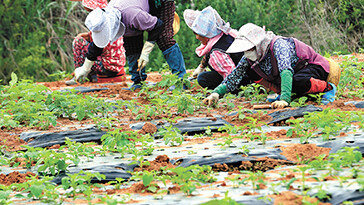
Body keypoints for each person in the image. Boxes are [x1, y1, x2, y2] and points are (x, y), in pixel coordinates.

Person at [203, 23, 341, 108]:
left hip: (312, 67)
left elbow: (286, 71)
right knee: (251, 71)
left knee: (296, 81)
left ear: (258, 45)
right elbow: (235, 75)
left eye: (249, 48)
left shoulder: (278, 45)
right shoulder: (251, 56)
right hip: (295, 75)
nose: (247, 52)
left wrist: (285, 100)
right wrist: (216, 93)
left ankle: (327, 88)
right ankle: (288, 92)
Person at [79, 0, 186, 91]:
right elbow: (97, 46)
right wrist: (85, 68)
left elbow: (158, 25)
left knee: (164, 38)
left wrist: (146, 51)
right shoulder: (106, 16)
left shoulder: (133, 16)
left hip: (160, 3)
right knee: (131, 43)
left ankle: (180, 80)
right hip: (138, 7)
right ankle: (138, 82)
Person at [66, 0, 126, 85]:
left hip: (107, 68)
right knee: (82, 40)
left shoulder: (100, 23)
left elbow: (95, 50)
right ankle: (90, 75)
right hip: (117, 64)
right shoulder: (110, 18)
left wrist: (85, 68)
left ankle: (82, 77)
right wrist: (87, 35)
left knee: (78, 42)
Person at [183, 6, 243, 90]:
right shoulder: (223, 34)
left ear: (206, 35)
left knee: (203, 78)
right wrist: (201, 67)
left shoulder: (217, 53)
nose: (196, 37)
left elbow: (231, 75)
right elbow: (209, 52)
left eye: (197, 34)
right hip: (243, 70)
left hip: (241, 78)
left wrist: (220, 91)